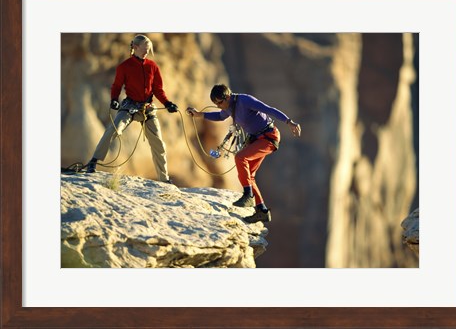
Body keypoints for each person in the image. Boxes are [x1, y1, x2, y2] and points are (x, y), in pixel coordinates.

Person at [186, 84, 301, 223]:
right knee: (249, 176)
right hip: (256, 139)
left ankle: (248, 196)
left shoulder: (245, 100)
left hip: (269, 137)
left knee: (240, 158)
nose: (218, 106)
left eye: (219, 102)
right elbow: (220, 116)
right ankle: (262, 211)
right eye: (215, 103)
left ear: (227, 97)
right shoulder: (228, 107)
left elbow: (269, 109)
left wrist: (289, 122)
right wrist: (200, 114)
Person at [86, 34, 178, 183]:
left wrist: (167, 103)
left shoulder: (153, 66)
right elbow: (116, 86)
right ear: (135, 48)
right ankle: (93, 162)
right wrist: (114, 100)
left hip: (147, 108)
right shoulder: (124, 66)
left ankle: (164, 179)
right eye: (145, 49)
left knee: (159, 144)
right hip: (129, 106)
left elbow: (158, 89)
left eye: (149, 50)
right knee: (114, 129)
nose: (147, 52)